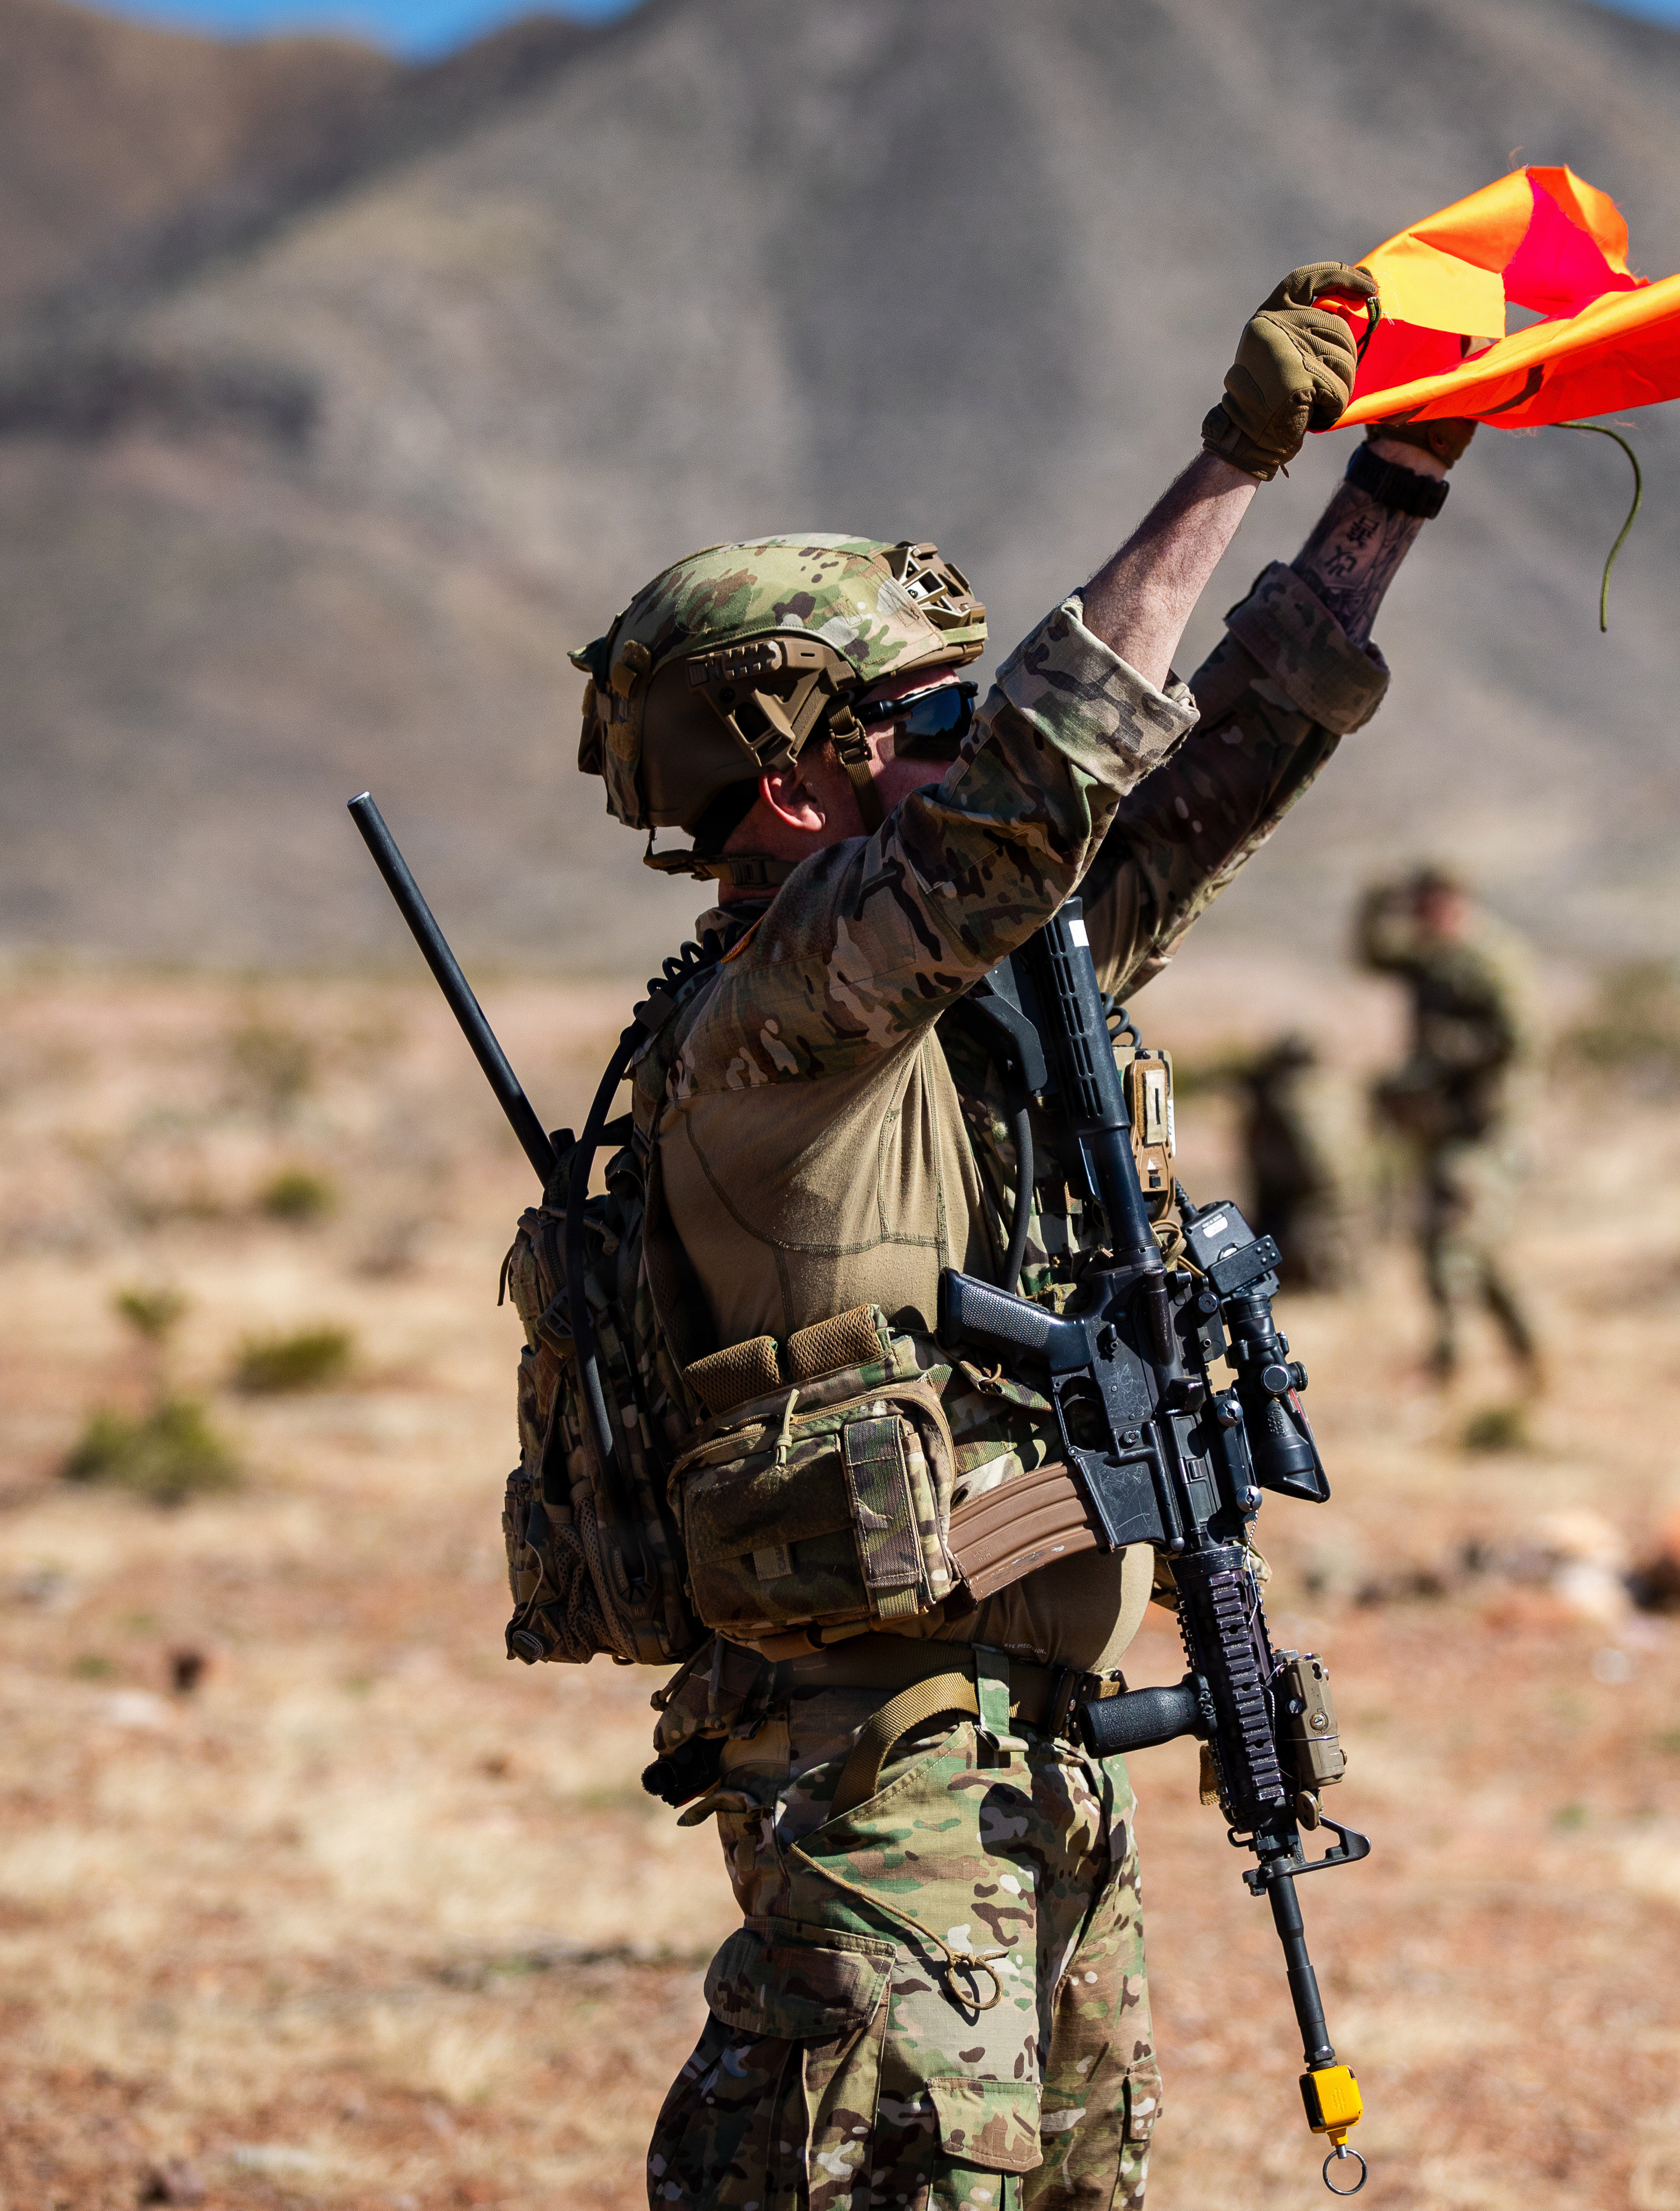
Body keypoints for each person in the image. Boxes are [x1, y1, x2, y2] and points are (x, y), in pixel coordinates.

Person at [571, 262, 1476, 2211]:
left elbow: (1210, 753)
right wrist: (1236, 454)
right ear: (795, 771)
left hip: (1028, 1757)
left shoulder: (969, 988)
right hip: (880, 1778)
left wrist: (1395, 478)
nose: (967, 742)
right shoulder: (780, 1010)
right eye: (924, 717)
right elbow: (1034, 792)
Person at [1356, 863, 1541, 1390]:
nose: (1416, 917)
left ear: (1452, 902)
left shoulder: (1493, 960)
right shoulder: (1430, 957)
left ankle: (1448, 1368)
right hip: (1441, 1124)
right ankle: (1527, 1352)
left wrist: (1446, 1053)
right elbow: (1372, 955)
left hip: (1483, 1130)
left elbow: (1519, 1041)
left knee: (1449, 1243)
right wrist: (1375, 900)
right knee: (1472, 1249)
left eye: (1424, 905)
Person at [1235, 1031, 1345, 1293]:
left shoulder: (1287, 1101)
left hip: (1304, 1216)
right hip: (1314, 1211)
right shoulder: (1332, 1095)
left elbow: (1315, 1171)